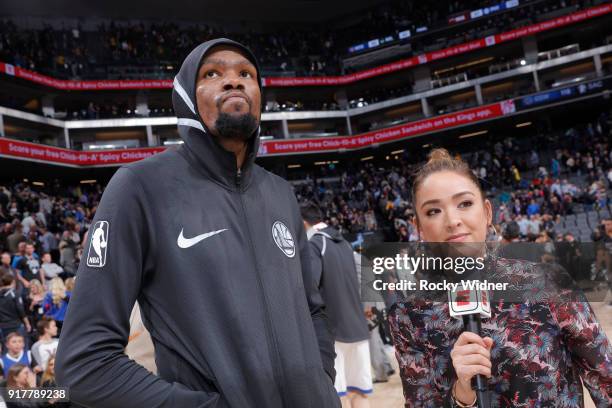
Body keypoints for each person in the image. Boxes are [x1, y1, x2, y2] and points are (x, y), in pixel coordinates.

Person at [56, 38, 339, 408]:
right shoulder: (140, 187)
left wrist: (320, 381)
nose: (233, 81)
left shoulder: (281, 193)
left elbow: (312, 308)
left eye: (245, 73)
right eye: (213, 73)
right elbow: (84, 362)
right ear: (187, 95)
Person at [388, 149, 612, 407]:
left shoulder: (548, 282)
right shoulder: (408, 315)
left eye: (464, 204)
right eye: (433, 211)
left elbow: (605, 379)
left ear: (487, 212)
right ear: (419, 228)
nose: (452, 221)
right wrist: (462, 394)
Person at [301, 202, 372, 408]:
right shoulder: (345, 244)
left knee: (338, 395)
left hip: (333, 331)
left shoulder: (315, 244)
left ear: (303, 223)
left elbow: (310, 286)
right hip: (358, 327)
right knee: (359, 392)